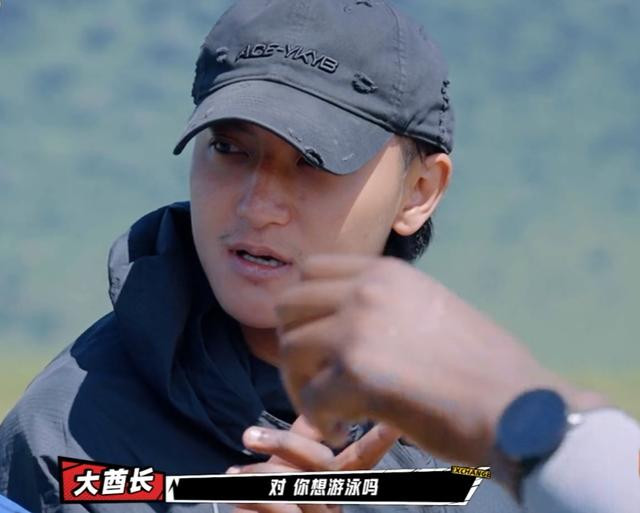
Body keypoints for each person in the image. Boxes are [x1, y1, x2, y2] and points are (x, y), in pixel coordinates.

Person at [0, 1, 632, 513]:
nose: (258, 206)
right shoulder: (66, 439)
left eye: (313, 160)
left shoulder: (481, 430)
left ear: (419, 191)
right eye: (229, 148)